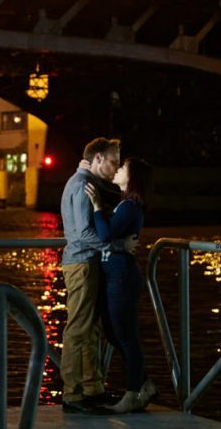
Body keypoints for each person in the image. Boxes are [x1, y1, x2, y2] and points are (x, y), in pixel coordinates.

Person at [85, 156, 158, 414]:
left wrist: (95, 206)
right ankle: (143, 383)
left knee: (126, 337)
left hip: (123, 277)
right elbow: (109, 236)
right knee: (114, 332)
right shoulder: (124, 204)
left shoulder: (129, 206)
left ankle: (131, 395)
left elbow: (104, 234)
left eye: (123, 167)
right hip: (115, 275)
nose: (118, 169)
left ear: (133, 177)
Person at [59, 137, 122, 414]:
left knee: (89, 328)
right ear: (97, 158)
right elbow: (84, 233)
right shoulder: (83, 185)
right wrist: (115, 245)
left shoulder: (83, 182)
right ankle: (72, 394)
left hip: (84, 263)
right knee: (78, 328)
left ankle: (91, 388)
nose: (116, 167)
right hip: (82, 264)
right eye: (112, 161)